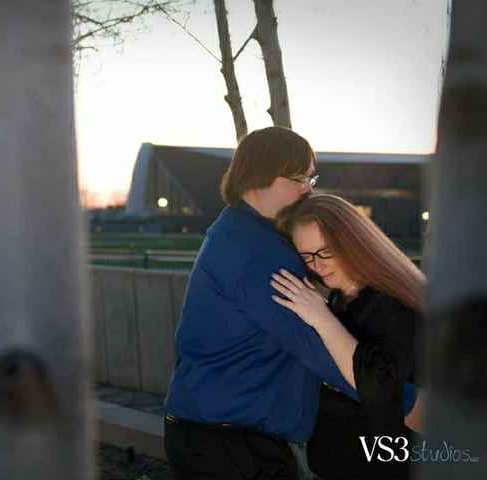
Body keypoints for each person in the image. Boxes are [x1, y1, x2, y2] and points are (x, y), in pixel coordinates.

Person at [163, 126, 403, 479]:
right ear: (260, 177)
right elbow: (320, 347)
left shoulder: (236, 232)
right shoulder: (257, 254)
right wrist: (411, 404)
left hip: (212, 436)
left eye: (311, 177)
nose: (309, 188)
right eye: (299, 178)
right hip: (232, 449)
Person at [271, 194, 424, 479]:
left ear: (354, 241)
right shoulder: (340, 301)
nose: (315, 264)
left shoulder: (392, 303)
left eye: (324, 251)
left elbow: (380, 389)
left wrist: (321, 318)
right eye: (306, 256)